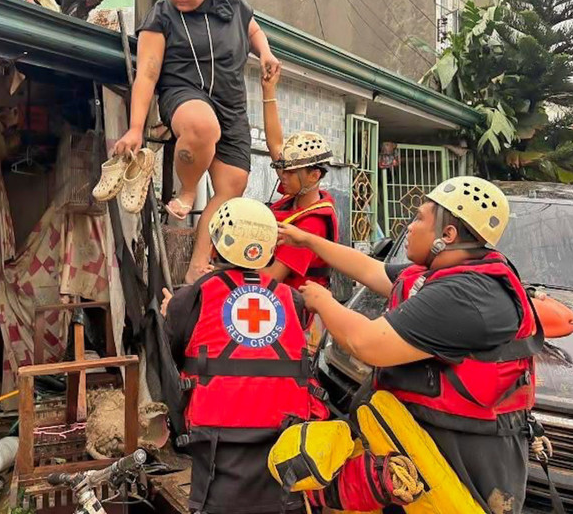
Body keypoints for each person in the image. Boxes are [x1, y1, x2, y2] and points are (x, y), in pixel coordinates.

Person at [279, 176, 541, 514]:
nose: (410, 226)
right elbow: (373, 271)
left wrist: (323, 301)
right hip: (418, 449)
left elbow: (366, 343)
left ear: (447, 236)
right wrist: (307, 240)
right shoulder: (440, 273)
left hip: (459, 467)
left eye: (419, 218)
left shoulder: (466, 295)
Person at [112, 0, 281, 284]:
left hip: (230, 103)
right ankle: (187, 189)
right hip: (184, 93)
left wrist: (265, 52)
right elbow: (146, 72)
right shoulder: (161, 17)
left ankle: (196, 268)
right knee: (202, 127)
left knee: (233, 185)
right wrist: (134, 128)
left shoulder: (231, 2)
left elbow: (253, 30)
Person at [163, 197, 328, 514]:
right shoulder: (291, 298)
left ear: (215, 247)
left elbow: (172, 353)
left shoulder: (192, 297)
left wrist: (170, 312)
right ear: (268, 250)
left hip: (215, 448)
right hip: (285, 447)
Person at [257, 65, 338, 291]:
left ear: (314, 175)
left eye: (291, 171)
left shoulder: (312, 224)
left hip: (298, 314)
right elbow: (274, 142)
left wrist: (224, 275)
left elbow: (270, 279)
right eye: (284, 168)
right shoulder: (297, 193)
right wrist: (268, 90)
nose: (283, 175)